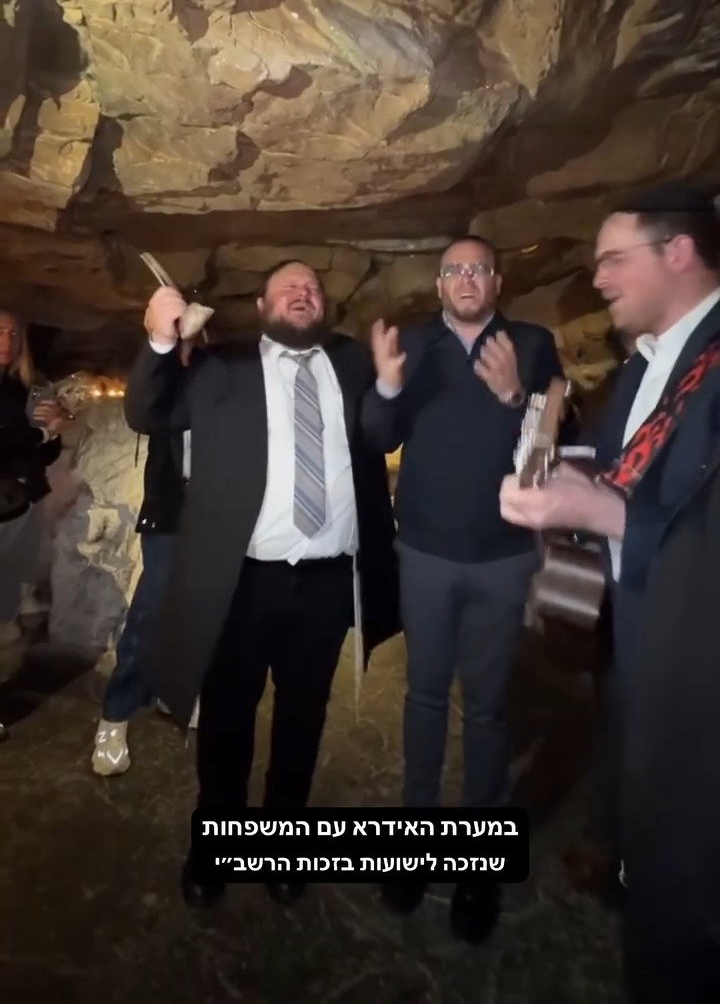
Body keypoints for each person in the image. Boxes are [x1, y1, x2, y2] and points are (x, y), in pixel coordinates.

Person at [499, 185, 720, 1002]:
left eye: (612, 260)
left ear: (679, 252)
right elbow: (618, 463)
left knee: (690, 888)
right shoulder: (645, 365)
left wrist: (605, 516)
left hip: (699, 668)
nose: (596, 280)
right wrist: (560, 475)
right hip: (634, 632)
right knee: (639, 791)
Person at [124, 260, 399, 908]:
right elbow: (147, 410)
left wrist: (390, 387)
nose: (304, 293)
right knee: (227, 721)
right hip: (243, 583)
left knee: (304, 720)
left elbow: (383, 435)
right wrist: (159, 340)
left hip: (327, 583)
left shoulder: (353, 362)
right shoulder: (223, 366)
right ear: (261, 304)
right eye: (289, 287)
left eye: (314, 288)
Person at [361, 235, 568, 942]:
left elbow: (547, 455)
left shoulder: (532, 345)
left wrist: (515, 398)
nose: (468, 279)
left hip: (501, 559)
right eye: (455, 270)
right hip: (424, 553)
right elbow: (377, 437)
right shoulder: (415, 345)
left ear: (498, 281)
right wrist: (388, 386)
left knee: (486, 708)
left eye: (479, 268)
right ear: (440, 284)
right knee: (423, 697)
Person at [91, 428, 191, 775]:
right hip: (172, 505)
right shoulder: (173, 392)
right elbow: (143, 411)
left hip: (227, 507)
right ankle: (116, 714)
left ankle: (173, 689)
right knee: (152, 609)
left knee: (200, 609)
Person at [0, 310, 66, 743]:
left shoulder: (19, 388)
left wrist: (52, 428)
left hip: (16, 508)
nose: (6, 340)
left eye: (13, 332)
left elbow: (40, 456)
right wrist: (39, 435)